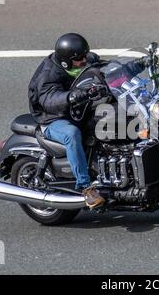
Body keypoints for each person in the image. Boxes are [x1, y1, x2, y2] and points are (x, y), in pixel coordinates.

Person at [28, 33, 107, 209]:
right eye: (79, 58)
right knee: (72, 134)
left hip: (77, 110)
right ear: (66, 61)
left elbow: (105, 67)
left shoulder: (84, 60)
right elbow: (50, 99)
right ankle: (86, 188)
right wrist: (72, 96)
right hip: (52, 118)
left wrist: (135, 65)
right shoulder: (48, 75)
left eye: (85, 55)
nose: (84, 60)